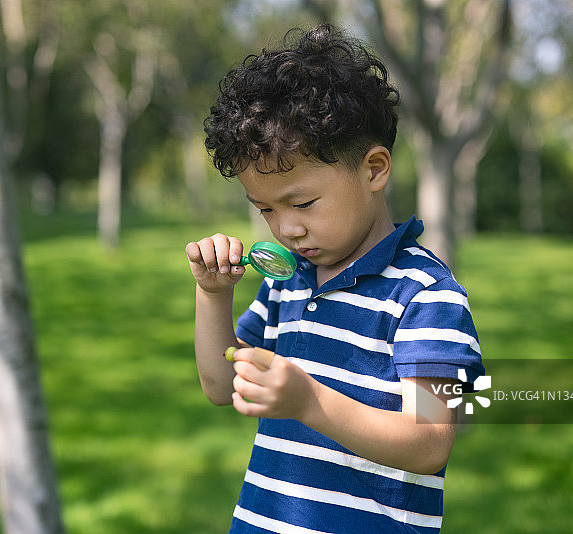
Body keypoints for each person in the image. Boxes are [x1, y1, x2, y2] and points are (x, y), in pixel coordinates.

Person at [185, 23, 484, 533]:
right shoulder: (287, 281)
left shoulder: (429, 296)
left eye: (302, 203)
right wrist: (212, 295)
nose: (287, 227)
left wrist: (309, 401)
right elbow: (221, 386)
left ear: (373, 169)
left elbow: (433, 443)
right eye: (265, 211)